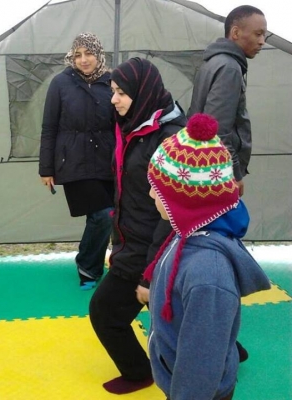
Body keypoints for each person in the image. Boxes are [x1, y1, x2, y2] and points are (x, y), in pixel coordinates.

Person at [144, 113, 271, 400]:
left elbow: (200, 366)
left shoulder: (208, 275)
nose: (151, 194)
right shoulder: (187, 232)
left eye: (158, 189)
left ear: (185, 200)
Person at [88, 57, 186, 394]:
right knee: (174, 313)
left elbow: (172, 215)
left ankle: (139, 373)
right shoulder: (133, 126)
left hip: (149, 249)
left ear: (142, 93)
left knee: (104, 312)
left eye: (121, 92)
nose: (113, 99)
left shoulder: (168, 139)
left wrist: (149, 272)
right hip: (132, 241)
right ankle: (229, 347)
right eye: (113, 91)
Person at [38, 32, 114, 290]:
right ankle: (87, 267)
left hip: (106, 160)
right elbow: (49, 127)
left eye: (89, 53)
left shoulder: (111, 81)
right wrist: (46, 168)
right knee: (103, 215)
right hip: (73, 161)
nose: (83, 60)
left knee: (110, 215)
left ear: (99, 54)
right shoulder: (61, 83)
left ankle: (107, 263)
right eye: (78, 54)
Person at [188, 5, 267, 197]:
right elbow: (217, 130)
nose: (262, 42)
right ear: (236, 32)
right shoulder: (229, 68)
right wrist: (233, 173)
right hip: (217, 171)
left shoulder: (213, 61)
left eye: (264, 35)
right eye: (258, 34)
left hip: (203, 164)